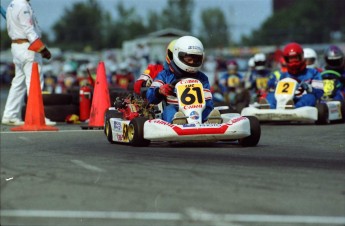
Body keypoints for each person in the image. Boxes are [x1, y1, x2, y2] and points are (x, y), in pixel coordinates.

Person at [2, 0, 55, 126]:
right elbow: (29, 30)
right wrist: (42, 49)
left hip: (16, 46)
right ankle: (37, 117)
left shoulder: (11, 5)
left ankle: (10, 114)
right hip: (28, 47)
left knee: (18, 83)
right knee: (35, 83)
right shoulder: (23, 6)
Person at [146, 35, 221, 124]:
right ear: (178, 55)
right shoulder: (165, 75)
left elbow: (208, 101)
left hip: (198, 111)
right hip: (174, 109)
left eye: (196, 58)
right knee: (170, 110)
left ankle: (210, 121)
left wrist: (208, 111)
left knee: (208, 108)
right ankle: (177, 121)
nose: (192, 62)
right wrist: (159, 91)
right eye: (189, 58)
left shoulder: (202, 78)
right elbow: (150, 96)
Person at [265, 42, 324, 109]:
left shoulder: (313, 73)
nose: (293, 61)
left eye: (295, 58)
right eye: (290, 58)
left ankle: (293, 109)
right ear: (286, 59)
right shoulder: (283, 76)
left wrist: (309, 88)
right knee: (271, 95)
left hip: (302, 100)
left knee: (310, 97)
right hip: (285, 100)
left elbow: (320, 92)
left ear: (301, 57)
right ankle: (270, 108)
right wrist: (275, 86)